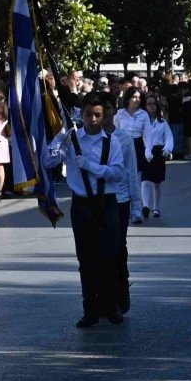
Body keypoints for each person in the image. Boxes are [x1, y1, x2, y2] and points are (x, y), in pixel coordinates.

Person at [63, 100, 130, 328]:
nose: (93, 119)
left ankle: (111, 306)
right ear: (81, 114)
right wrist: (58, 143)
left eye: (98, 115)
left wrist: (90, 166)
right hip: (81, 204)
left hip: (107, 202)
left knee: (110, 256)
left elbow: (118, 173)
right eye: (89, 114)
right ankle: (89, 310)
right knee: (86, 259)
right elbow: (47, 160)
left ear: (105, 116)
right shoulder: (71, 140)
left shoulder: (112, 142)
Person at [137, 95, 174, 225]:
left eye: (153, 104)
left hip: (159, 152)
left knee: (157, 182)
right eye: (149, 104)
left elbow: (169, 137)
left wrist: (168, 148)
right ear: (145, 106)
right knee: (145, 180)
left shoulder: (162, 122)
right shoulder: (141, 121)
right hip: (147, 151)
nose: (151, 106)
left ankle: (156, 208)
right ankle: (146, 206)